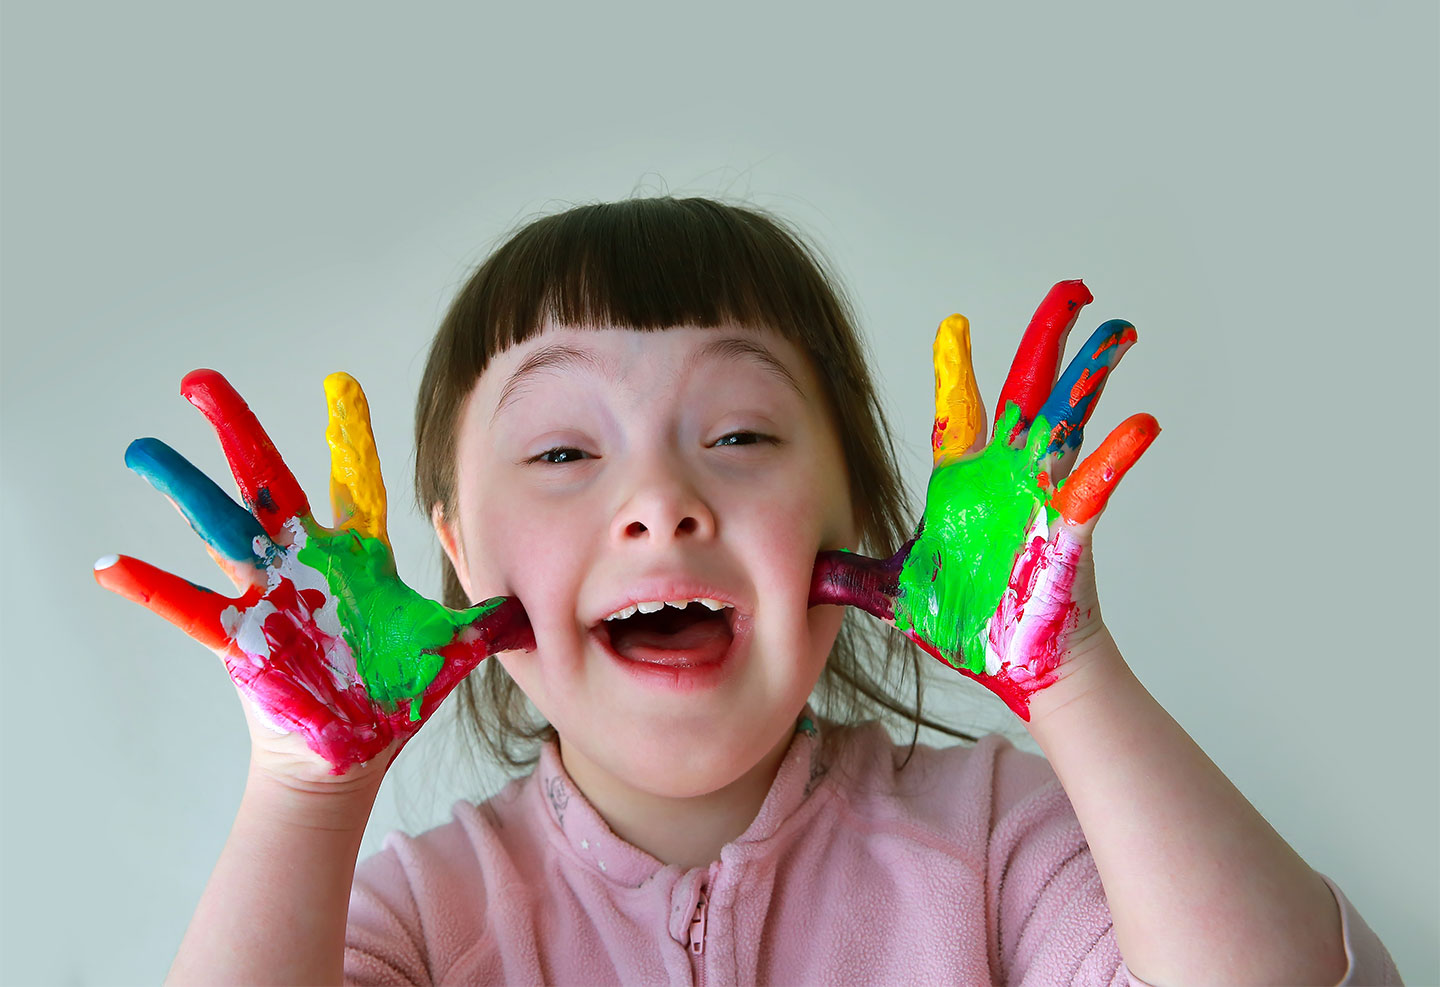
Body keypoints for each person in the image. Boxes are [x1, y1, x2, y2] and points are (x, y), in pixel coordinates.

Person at [96, 196, 1400, 984]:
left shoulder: (1000, 842)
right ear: (460, 560)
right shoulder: (425, 920)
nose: (660, 500)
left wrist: (1076, 681)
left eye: (740, 436)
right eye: (562, 453)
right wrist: (304, 798)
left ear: (859, 520)